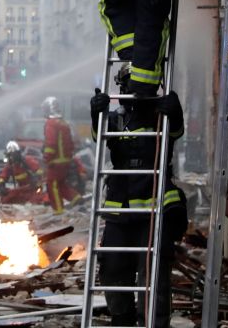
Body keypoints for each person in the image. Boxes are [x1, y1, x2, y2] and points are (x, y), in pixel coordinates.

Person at [89, 82, 188, 328]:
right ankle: (122, 319)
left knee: (152, 273)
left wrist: (175, 112)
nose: (131, 90)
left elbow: (175, 131)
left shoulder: (161, 115)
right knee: (111, 266)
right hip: (120, 208)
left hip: (152, 211)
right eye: (126, 85)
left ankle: (154, 322)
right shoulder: (116, 120)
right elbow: (99, 135)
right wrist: (96, 114)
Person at [41, 97, 78, 213]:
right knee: (61, 183)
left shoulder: (51, 123)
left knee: (52, 185)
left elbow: (50, 143)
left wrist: (47, 158)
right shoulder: (63, 123)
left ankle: (58, 210)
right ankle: (76, 199)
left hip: (55, 161)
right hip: (65, 160)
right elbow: (71, 143)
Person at [0, 141, 43, 205]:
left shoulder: (28, 160)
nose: (11, 158)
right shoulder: (10, 166)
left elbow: (39, 170)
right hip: (21, 191)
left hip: (34, 189)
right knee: (5, 200)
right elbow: (2, 176)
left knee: (37, 200)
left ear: (18, 154)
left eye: (13, 155)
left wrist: (36, 178)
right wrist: (1, 185)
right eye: (9, 155)